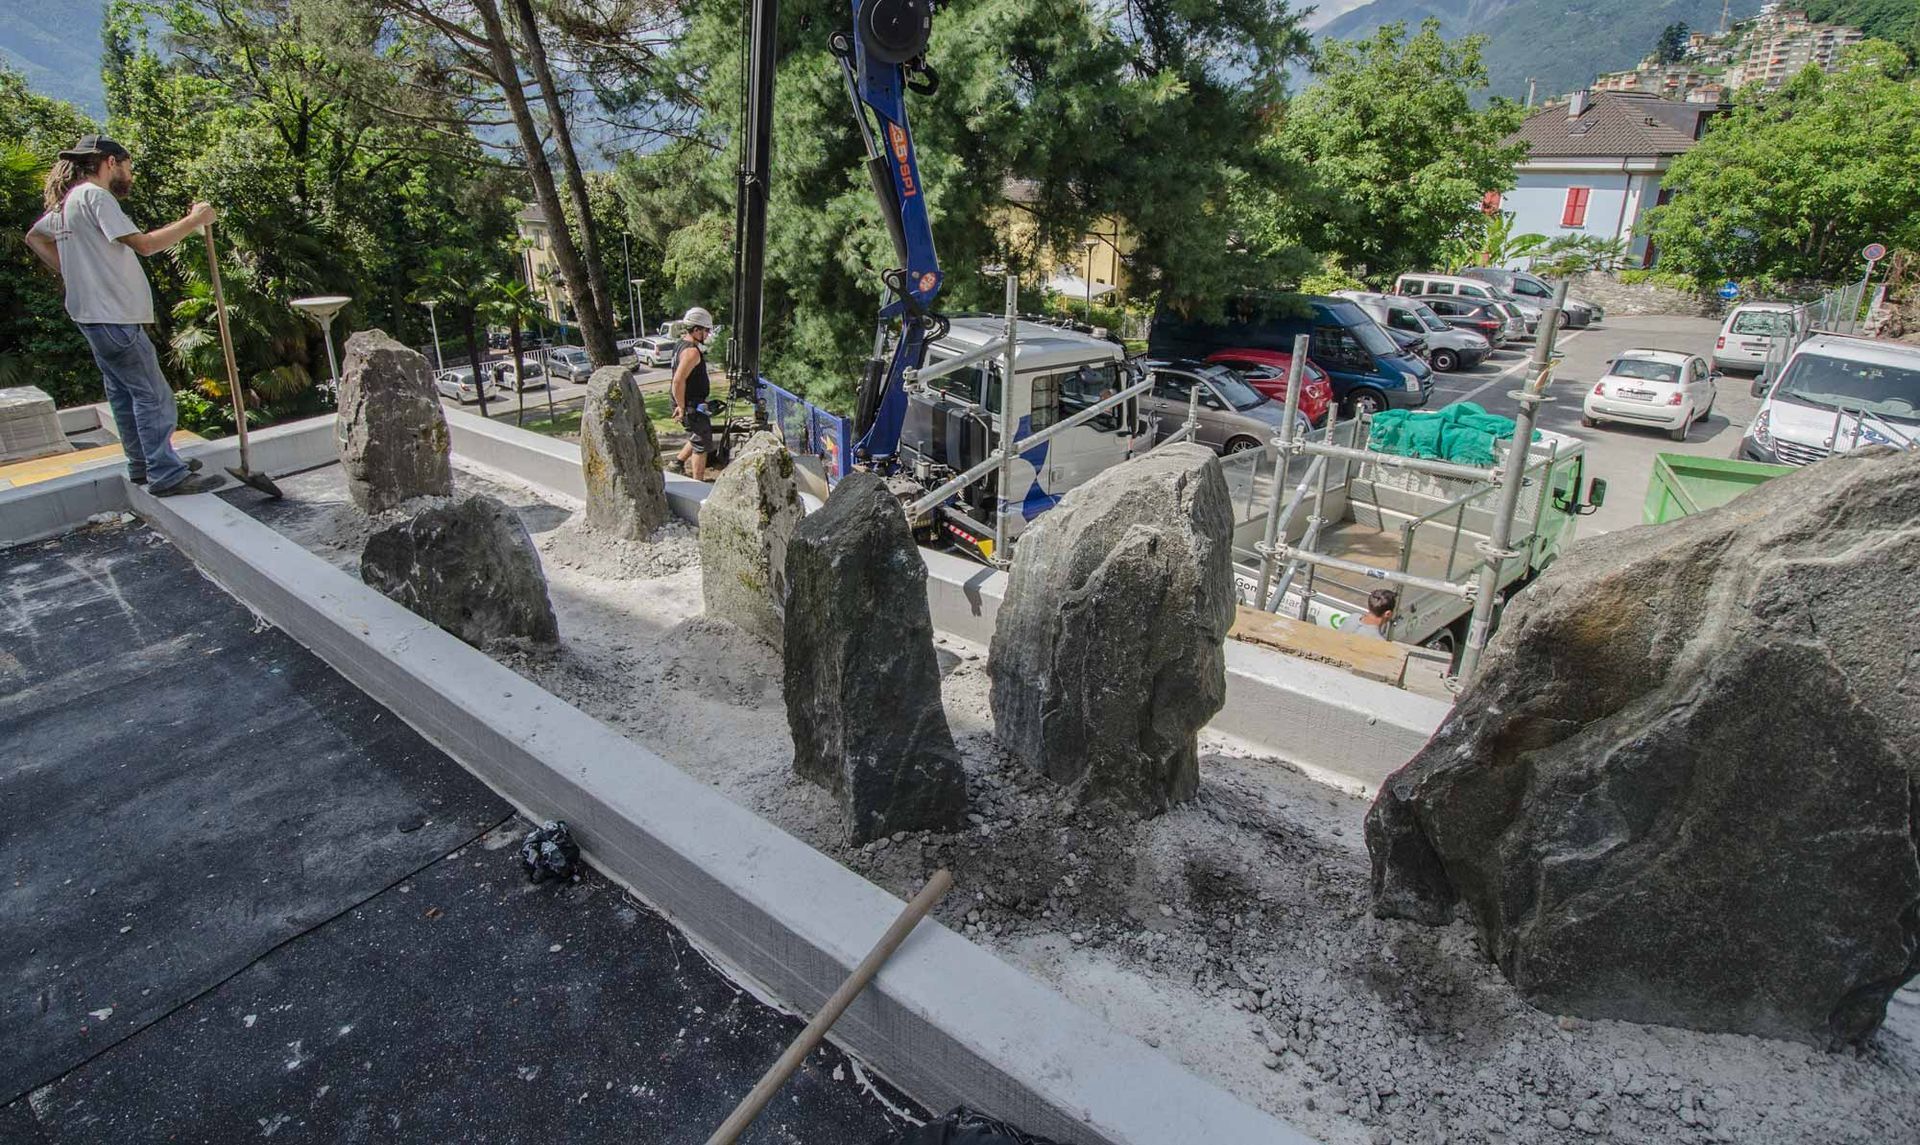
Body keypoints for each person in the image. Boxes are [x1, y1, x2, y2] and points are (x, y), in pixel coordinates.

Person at [24, 135, 224, 495]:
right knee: (153, 395)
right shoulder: (95, 196)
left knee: (124, 394)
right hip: (113, 316)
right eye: (128, 168)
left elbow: (34, 238)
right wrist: (195, 220)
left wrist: (72, 274)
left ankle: (143, 464)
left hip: (93, 317)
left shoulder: (69, 202)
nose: (129, 177)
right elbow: (145, 246)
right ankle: (166, 473)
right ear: (111, 162)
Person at [668, 306, 716, 480]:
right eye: (706, 331)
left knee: (698, 434)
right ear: (696, 330)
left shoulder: (681, 344)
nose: (708, 335)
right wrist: (681, 406)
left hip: (690, 402)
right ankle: (698, 483)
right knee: (701, 443)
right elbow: (678, 381)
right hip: (689, 404)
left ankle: (677, 463)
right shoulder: (691, 352)